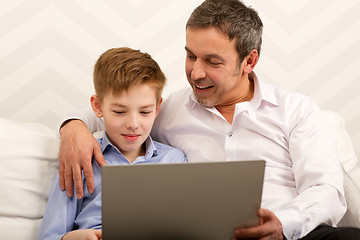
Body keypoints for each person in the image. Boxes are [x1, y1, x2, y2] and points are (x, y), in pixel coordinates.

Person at [57, 0, 360, 239]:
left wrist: (282, 224)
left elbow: (326, 191)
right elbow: (115, 112)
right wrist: (73, 127)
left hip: (288, 234)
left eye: (212, 62)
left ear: (249, 61)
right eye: (190, 56)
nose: (196, 73)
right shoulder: (171, 107)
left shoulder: (296, 109)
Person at [38, 47, 187, 240]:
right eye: (119, 112)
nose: (133, 124)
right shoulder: (81, 160)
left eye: (144, 112)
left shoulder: (175, 160)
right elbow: (49, 236)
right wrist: (75, 237)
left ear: (157, 107)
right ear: (98, 107)